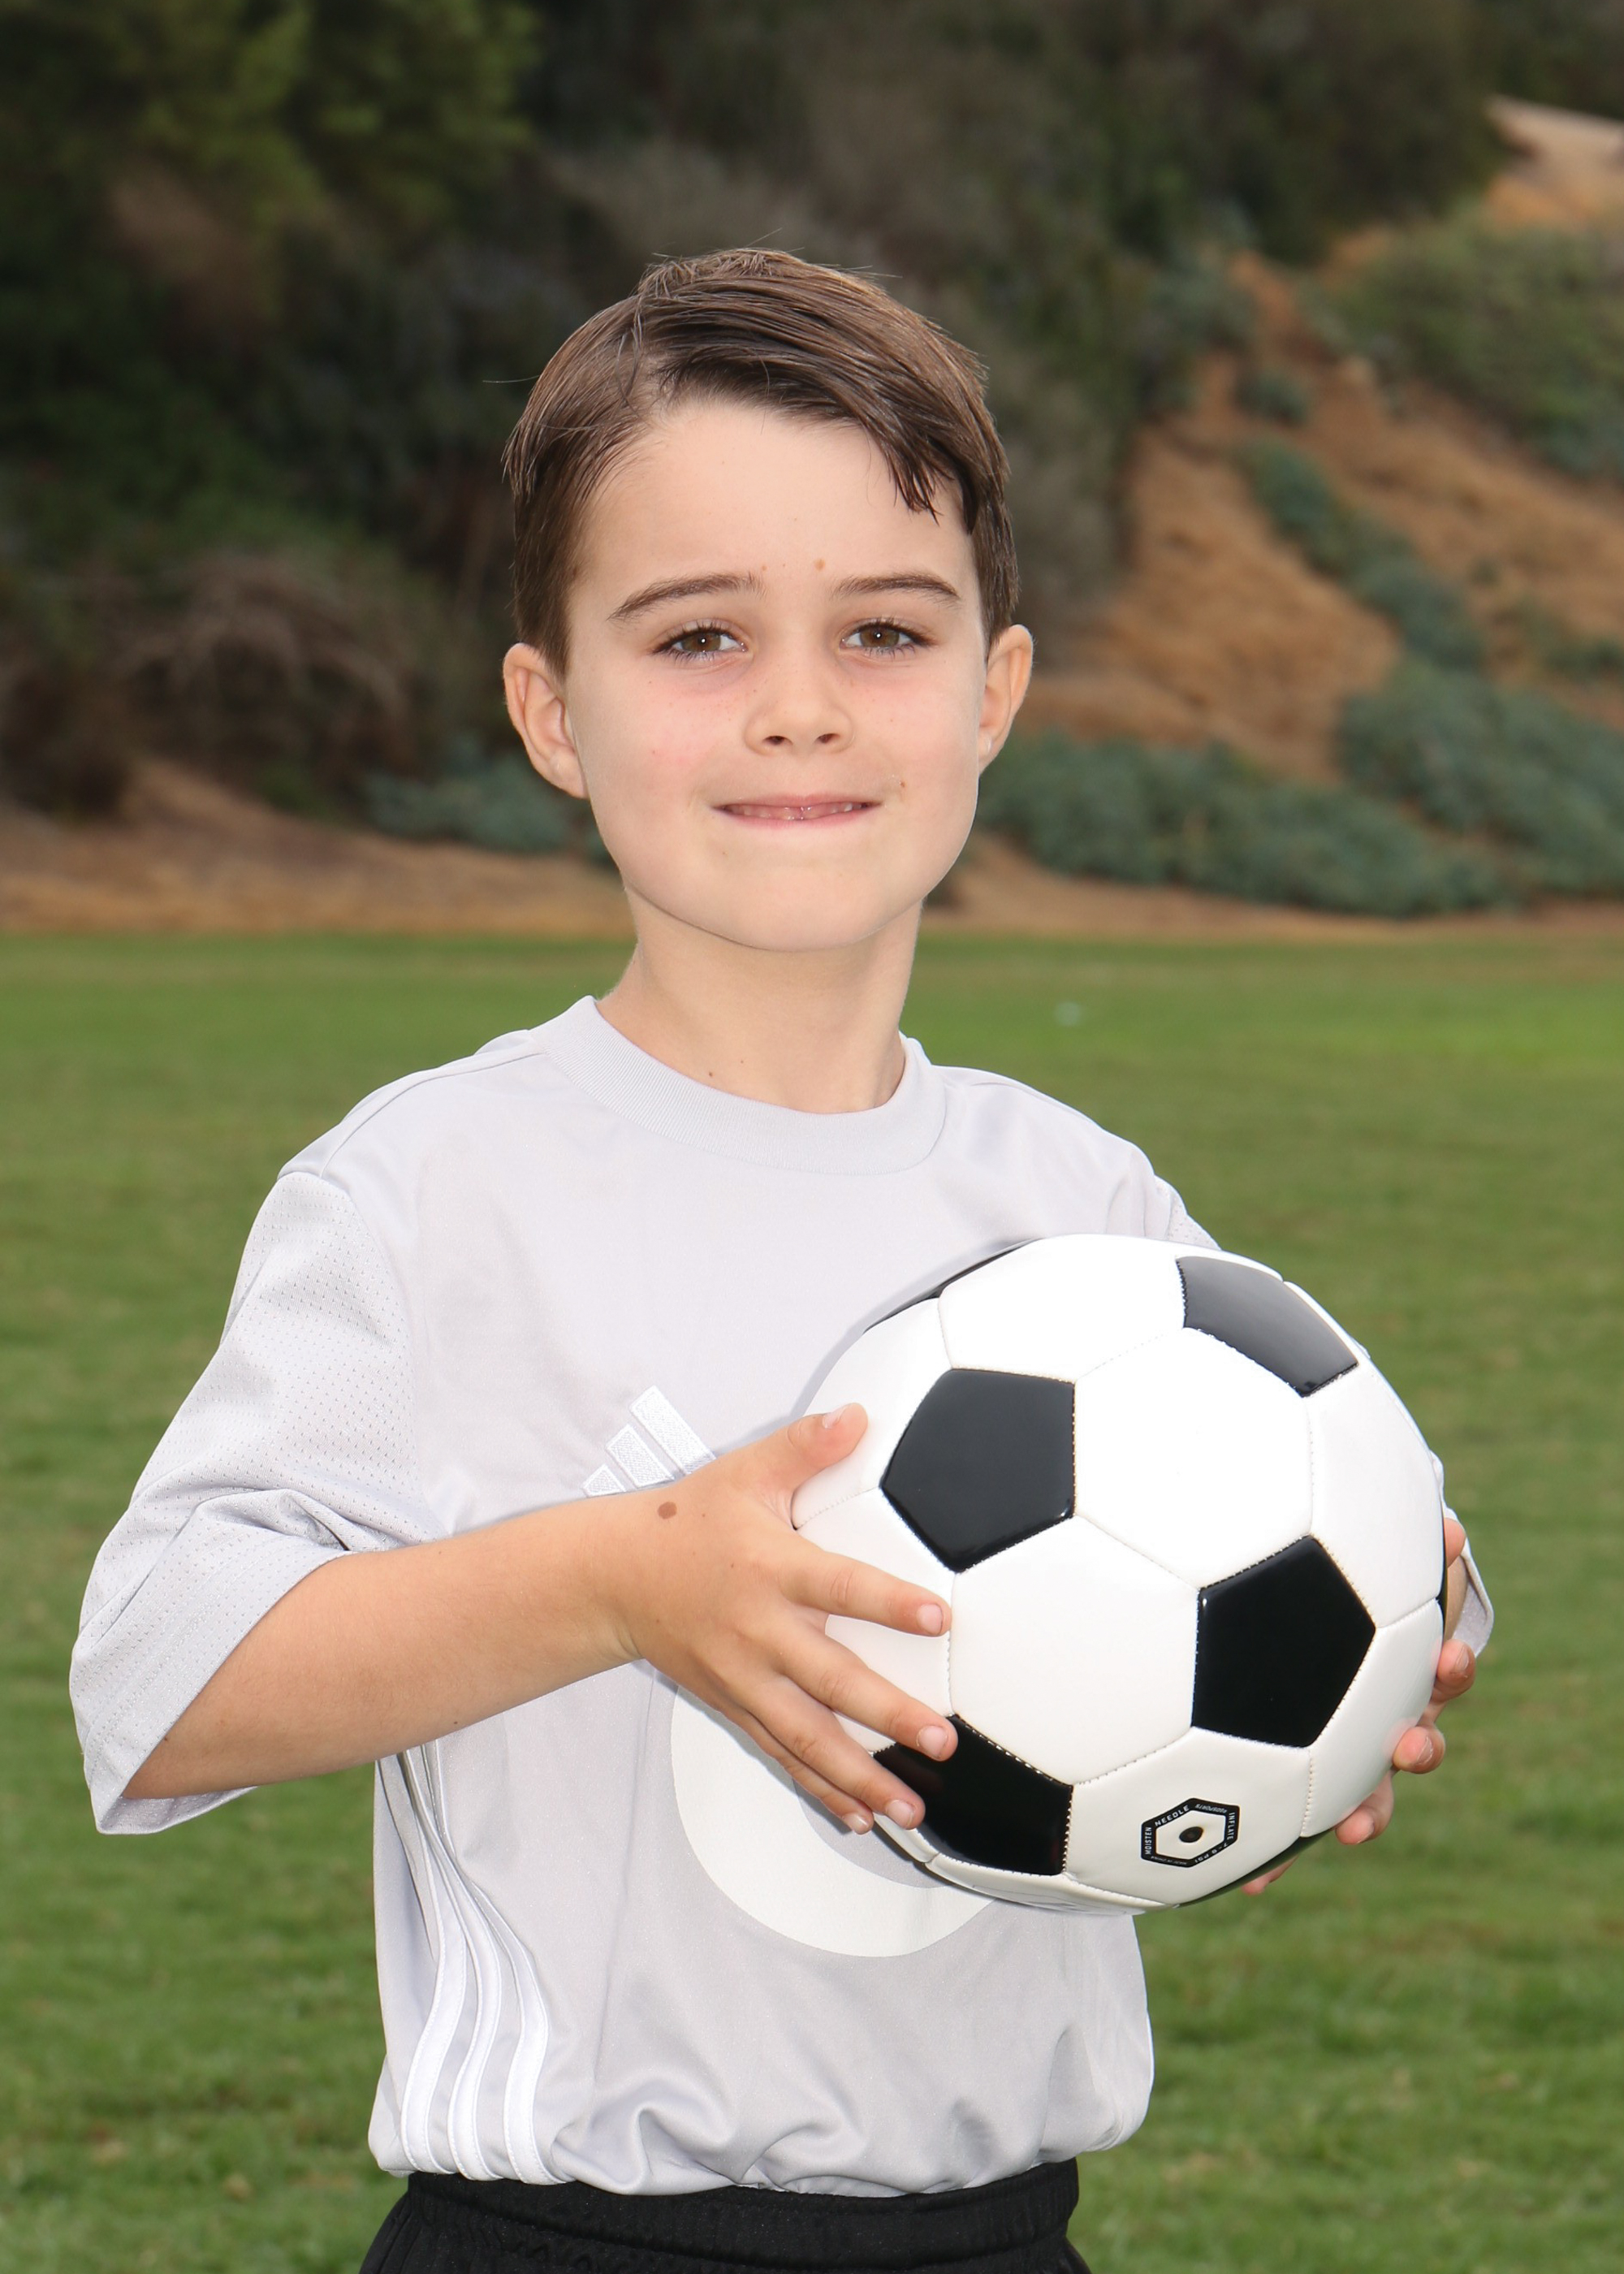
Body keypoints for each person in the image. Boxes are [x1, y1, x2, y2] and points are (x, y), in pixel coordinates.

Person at [71, 251, 1489, 2274]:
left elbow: (1361, 1508)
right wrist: (620, 1583)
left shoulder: (1077, 1200)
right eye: (699, 634)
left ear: (995, 690)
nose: (799, 704)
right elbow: (154, 1684)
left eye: (884, 630)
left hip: (1000, 2238)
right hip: (564, 2238)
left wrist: (1368, 1646)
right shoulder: (433, 1189)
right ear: (551, 712)